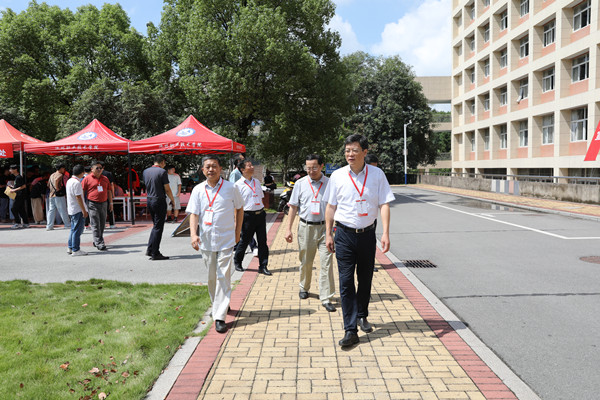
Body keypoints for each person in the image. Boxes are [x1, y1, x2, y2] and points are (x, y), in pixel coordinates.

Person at [323, 134, 395, 347]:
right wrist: (328, 233)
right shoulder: (337, 175)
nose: (350, 154)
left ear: (364, 152)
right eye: (347, 150)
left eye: (354, 150)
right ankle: (350, 329)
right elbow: (330, 206)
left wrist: (385, 233)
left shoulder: (377, 174)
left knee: (365, 279)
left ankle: (362, 314)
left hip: (367, 235)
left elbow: (384, 204)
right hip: (344, 235)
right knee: (346, 282)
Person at [187, 156, 244, 333]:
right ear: (202, 170)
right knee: (212, 277)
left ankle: (219, 316)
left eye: (214, 166)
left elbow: (240, 208)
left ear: (221, 169)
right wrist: (193, 234)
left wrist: (237, 232)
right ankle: (220, 304)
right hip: (206, 240)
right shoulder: (197, 190)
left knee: (223, 276)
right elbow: (194, 213)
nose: (211, 169)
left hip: (226, 239)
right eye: (207, 167)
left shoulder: (230, 187)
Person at [284, 154, 335, 312]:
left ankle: (326, 297)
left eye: (314, 167)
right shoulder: (300, 184)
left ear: (321, 166)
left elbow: (334, 207)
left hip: (325, 228)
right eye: (308, 168)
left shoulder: (330, 184)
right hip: (306, 227)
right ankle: (304, 287)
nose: (311, 170)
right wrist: (288, 228)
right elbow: (293, 207)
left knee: (326, 263)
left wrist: (332, 231)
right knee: (306, 260)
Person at [233, 160, 272, 275]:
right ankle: (238, 261)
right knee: (244, 240)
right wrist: (236, 221)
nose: (252, 167)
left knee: (262, 241)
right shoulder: (238, 185)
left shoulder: (256, 182)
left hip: (260, 215)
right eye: (249, 166)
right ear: (242, 170)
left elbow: (260, 197)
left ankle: (263, 265)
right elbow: (236, 205)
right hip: (247, 216)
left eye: (251, 165)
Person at [143, 155, 175, 260]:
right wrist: (172, 200)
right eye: (164, 163)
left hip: (150, 199)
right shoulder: (162, 172)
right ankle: (155, 253)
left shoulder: (146, 171)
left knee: (155, 225)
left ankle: (150, 249)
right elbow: (167, 189)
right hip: (159, 200)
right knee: (158, 227)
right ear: (162, 162)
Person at [81, 160, 113, 251]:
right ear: (92, 169)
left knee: (102, 224)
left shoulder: (105, 178)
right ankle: (99, 242)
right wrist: (83, 204)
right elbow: (82, 191)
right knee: (95, 223)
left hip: (104, 203)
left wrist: (111, 203)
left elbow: (109, 191)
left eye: (101, 168)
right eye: (97, 168)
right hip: (92, 203)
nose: (99, 169)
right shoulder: (87, 179)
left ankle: (97, 240)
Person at [67, 165, 89, 256]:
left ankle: (71, 247)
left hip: (71, 209)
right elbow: (78, 197)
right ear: (82, 172)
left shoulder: (69, 181)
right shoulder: (77, 183)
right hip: (77, 209)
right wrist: (84, 210)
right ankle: (76, 249)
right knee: (77, 230)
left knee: (73, 229)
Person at [46, 163, 71, 230]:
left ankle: (49, 226)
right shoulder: (60, 175)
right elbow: (57, 181)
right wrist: (57, 188)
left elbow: (48, 185)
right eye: (63, 168)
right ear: (61, 168)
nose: (64, 170)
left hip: (51, 195)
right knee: (63, 210)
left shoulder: (52, 175)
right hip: (58, 195)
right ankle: (67, 224)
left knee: (51, 211)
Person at [8, 164, 30, 229]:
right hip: (19, 195)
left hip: (20, 195)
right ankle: (26, 223)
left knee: (13, 209)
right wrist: (12, 187)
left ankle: (17, 223)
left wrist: (14, 189)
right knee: (21, 209)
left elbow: (24, 186)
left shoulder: (19, 177)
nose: (10, 171)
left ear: (15, 170)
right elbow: (19, 186)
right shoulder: (17, 177)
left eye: (11, 169)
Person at [101, 163, 116, 228]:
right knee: (110, 207)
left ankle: (102, 224)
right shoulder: (108, 173)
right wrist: (113, 193)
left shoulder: (96, 173)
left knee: (101, 209)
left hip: (99, 194)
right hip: (107, 193)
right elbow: (111, 184)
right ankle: (112, 224)